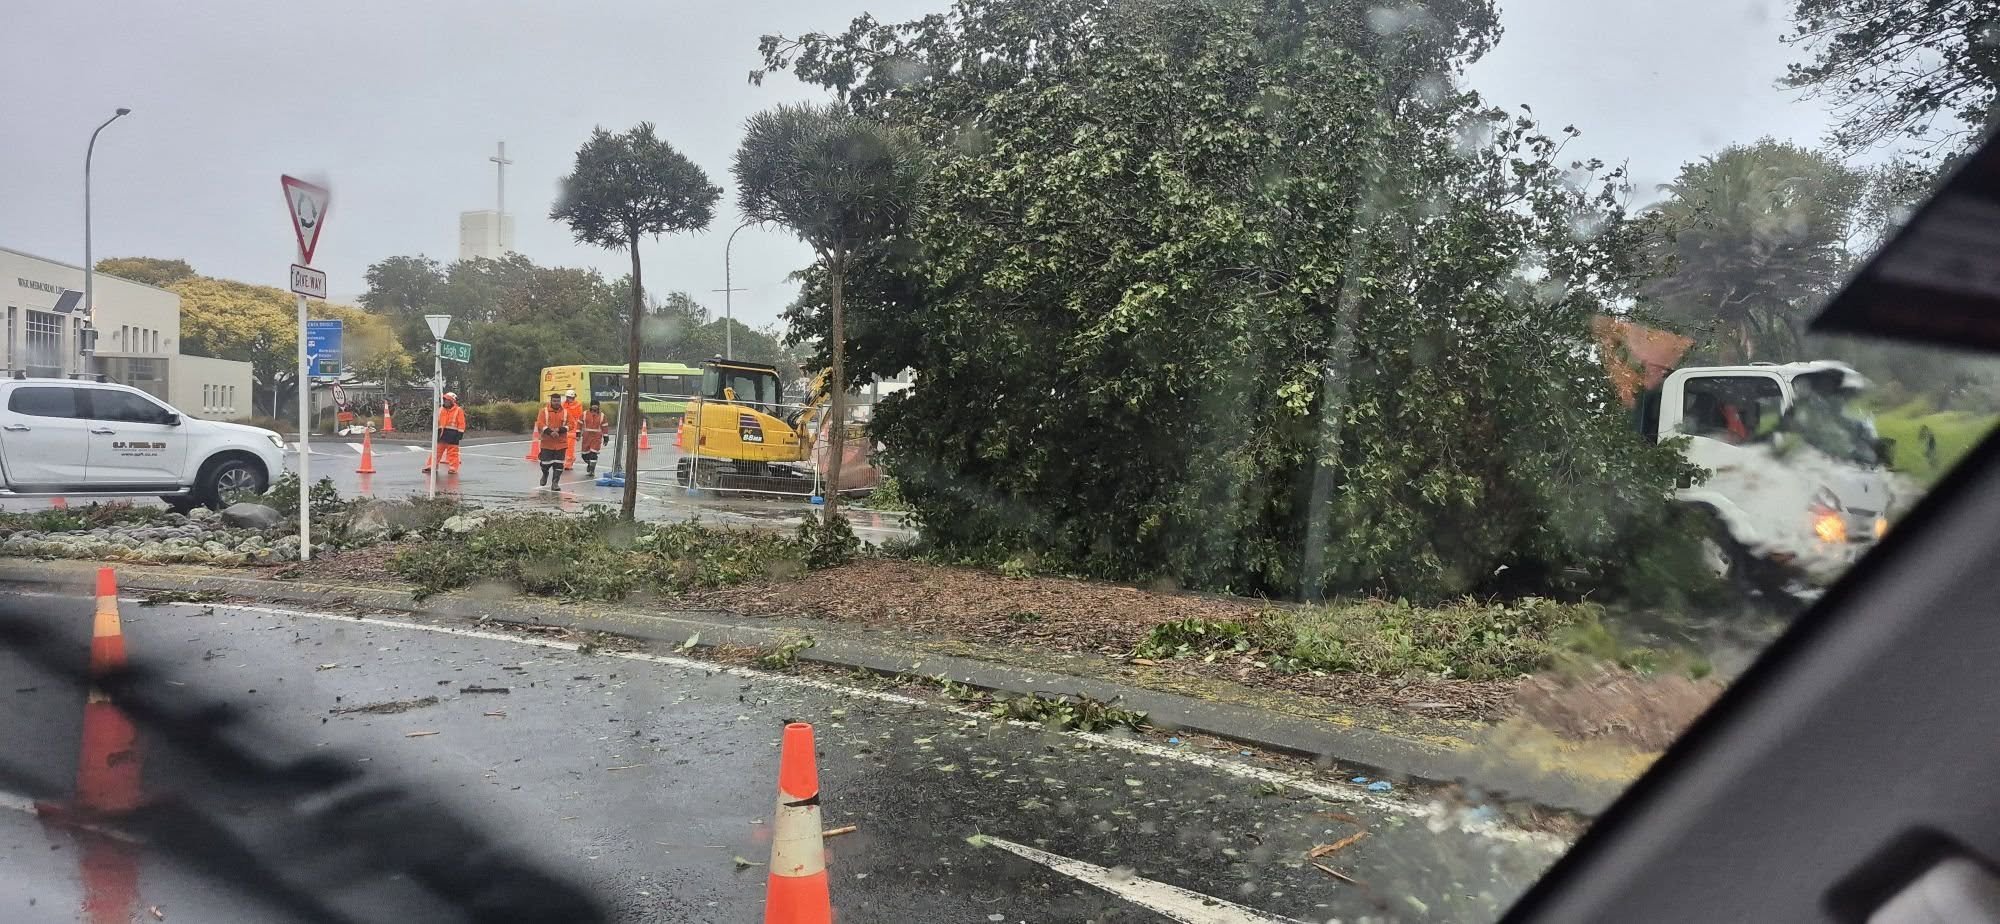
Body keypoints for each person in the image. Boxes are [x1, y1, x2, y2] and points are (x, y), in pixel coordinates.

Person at [534, 391, 570, 490]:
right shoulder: (544, 411)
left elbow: (571, 424)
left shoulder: (565, 412)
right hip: (547, 443)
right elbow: (540, 423)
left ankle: (555, 483)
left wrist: (560, 430)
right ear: (551, 401)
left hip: (561, 443)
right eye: (554, 401)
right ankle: (545, 474)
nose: (556, 403)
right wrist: (550, 432)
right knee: (545, 464)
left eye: (558, 401)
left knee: (559, 464)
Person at [423, 392, 466, 474]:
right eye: (445, 400)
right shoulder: (440, 409)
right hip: (442, 434)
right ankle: (431, 466)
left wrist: (460, 434)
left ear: (452, 401)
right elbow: (437, 421)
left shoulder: (458, 410)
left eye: (448, 400)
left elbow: (461, 423)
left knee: (453, 453)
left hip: (453, 435)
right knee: (436, 452)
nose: (446, 401)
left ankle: (453, 468)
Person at [578, 400, 608, 477]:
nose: (595, 406)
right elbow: (579, 424)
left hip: (596, 437)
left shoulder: (602, 416)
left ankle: (592, 470)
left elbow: (605, 427)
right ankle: (589, 463)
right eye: (593, 405)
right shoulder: (584, 414)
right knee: (584, 455)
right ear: (590, 406)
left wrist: (606, 437)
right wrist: (578, 434)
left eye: (596, 405)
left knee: (593, 454)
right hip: (586, 437)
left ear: (598, 406)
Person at [562, 389, 584, 468]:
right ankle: (570, 458)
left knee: (570, 446)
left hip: (573, 428)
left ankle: (569, 462)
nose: (570, 399)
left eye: (572, 398)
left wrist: (579, 430)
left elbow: (580, 417)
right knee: (564, 446)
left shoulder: (578, 405)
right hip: (565, 427)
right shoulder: (563, 405)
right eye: (569, 397)